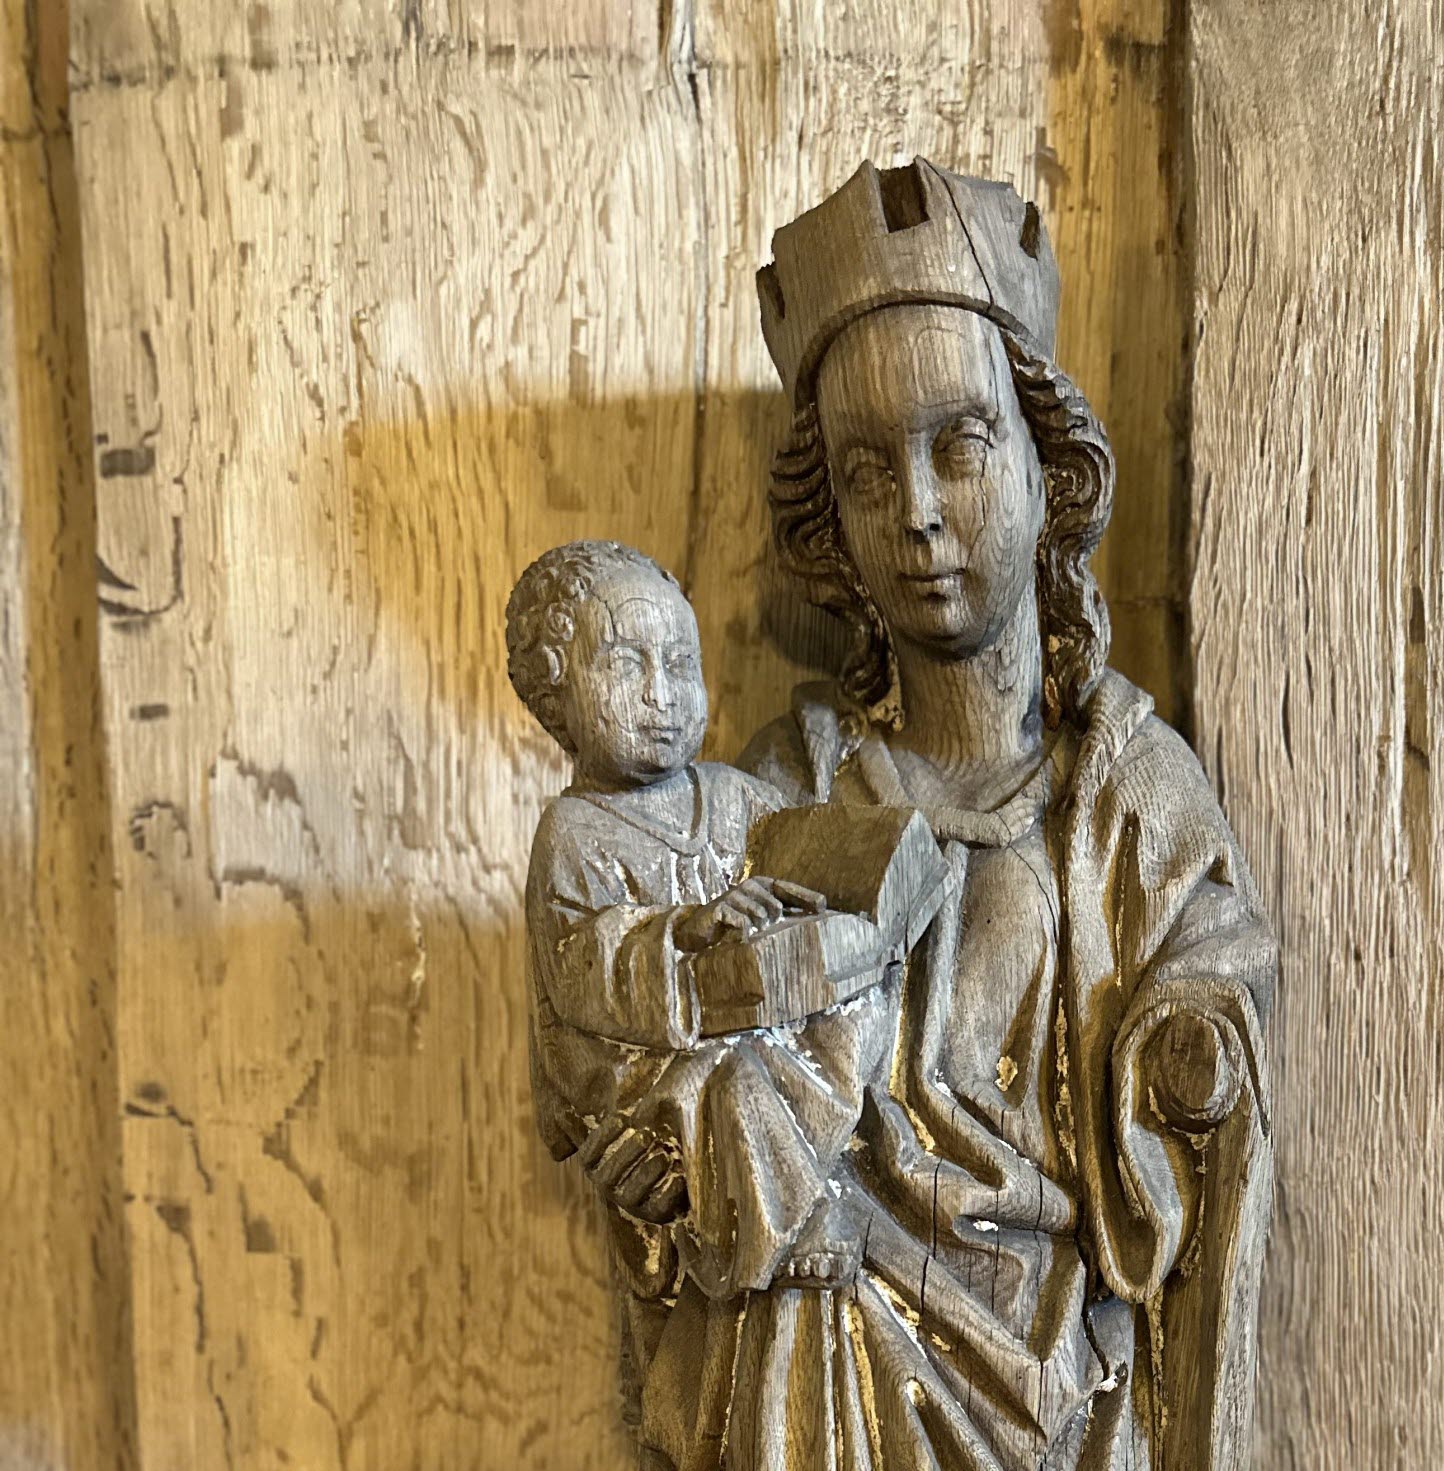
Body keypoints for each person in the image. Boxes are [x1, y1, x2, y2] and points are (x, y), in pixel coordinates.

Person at [618, 160, 1277, 1470]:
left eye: (960, 444)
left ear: (1047, 468)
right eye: (868, 474)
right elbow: (695, 1069)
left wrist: (1189, 1055)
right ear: (832, 529)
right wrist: (673, 1169)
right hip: (826, 1371)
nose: (917, 511)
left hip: (1062, 1380)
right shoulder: (790, 790)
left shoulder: (1125, 794)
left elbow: (1211, 1021)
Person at [505, 540, 897, 1440]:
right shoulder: (575, 834)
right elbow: (584, 967)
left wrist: (860, 891)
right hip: (655, 1097)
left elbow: (806, 875)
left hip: (768, 1044)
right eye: (627, 662)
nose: (662, 691)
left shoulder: (734, 796)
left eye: (681, 662)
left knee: (846, 1011)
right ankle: (781, 1233)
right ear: (558, 693)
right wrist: (689, 929)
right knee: (727, 1088)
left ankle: (801, 1214)